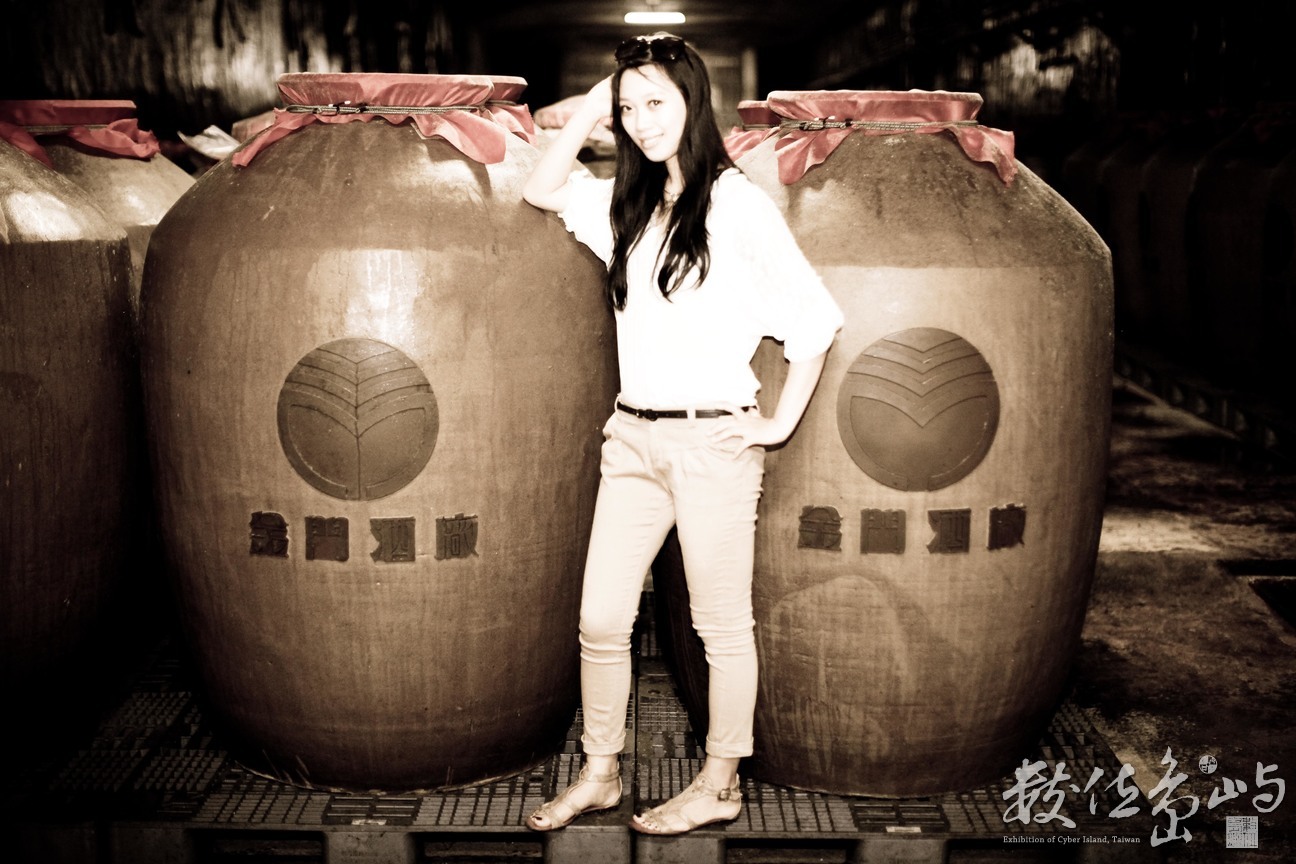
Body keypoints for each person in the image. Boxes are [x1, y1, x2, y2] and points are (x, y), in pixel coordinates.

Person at [520, 33, 844, 836]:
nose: (641, 121)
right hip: (631, 442)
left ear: (694, 102)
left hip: (711, 446)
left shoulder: (736, 206)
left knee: (719, 626)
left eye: (655, 103)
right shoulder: (625, 207)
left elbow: (813, 322)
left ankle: (720, 782)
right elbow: (540, 188)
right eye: (629, 108)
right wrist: (590, 109)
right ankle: (601, 772)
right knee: (602, 620)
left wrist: (777, 424)